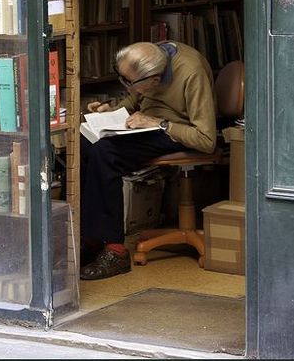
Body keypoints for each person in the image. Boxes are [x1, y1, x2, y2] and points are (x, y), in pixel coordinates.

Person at [80, 40, 217, 281]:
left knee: (105, 153)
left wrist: (159, 124)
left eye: (129, 82)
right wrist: (110, 111)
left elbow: (206, 139)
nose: (126, 86)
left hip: (175, 130)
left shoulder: (192, 73)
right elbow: (133, 101)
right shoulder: (151, 56)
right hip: (145, 123)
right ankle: (91, 237)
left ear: (154, 80)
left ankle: (115, 250)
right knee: (84, 141)